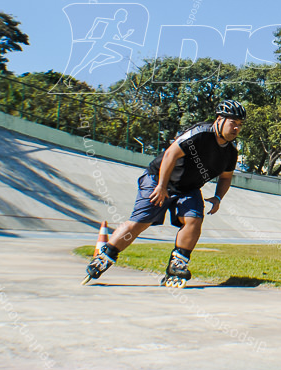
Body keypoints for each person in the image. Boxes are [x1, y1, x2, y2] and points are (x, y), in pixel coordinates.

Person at [83, 100, 246, 286]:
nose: (236, 128)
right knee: (140, 222)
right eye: (233, 123)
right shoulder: (199, 134)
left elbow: (226, 177)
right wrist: (161, 185)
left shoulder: (230, 153)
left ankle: (177, 264)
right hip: (158, 179)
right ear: (219, 120)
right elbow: (170, 155)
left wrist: (218, 198)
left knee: (194, 221)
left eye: (240, 125)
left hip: (188, 188)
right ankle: (105, 256)